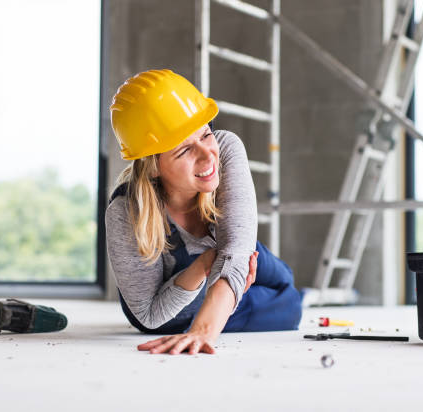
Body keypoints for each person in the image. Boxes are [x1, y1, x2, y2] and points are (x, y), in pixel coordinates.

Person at [106, 69, 302, 355]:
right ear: (153, 166)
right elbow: (148, 316)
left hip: (237, 251)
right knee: (289, 309)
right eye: (184, 150)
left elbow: (236, 250)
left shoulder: (225, 148)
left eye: (205, 134)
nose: (208, 154)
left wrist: (205, 328)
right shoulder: (127, 212)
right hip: (183, 304)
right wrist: (202, 266)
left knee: (283, 281)